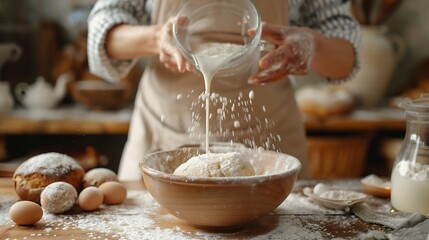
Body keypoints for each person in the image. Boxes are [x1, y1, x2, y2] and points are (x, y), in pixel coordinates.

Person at [87, 0, 360, 180]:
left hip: (272, 143)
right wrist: (156, 38)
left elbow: (346, 56)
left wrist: (311, 45)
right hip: (163, 134)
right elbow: (102, 34)